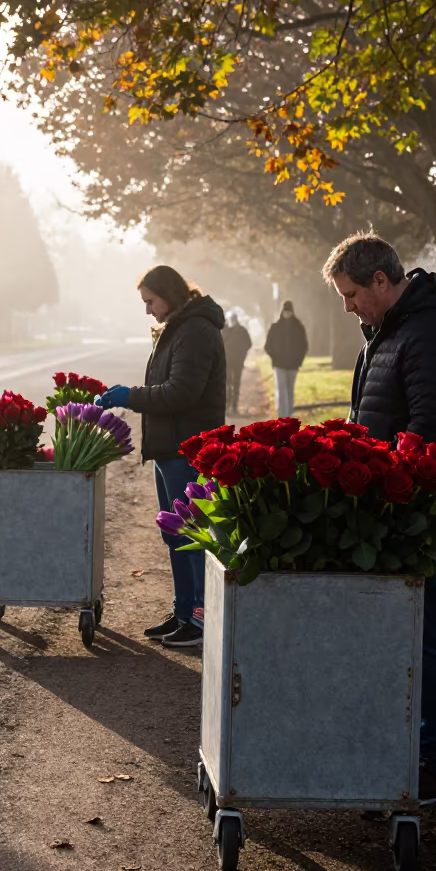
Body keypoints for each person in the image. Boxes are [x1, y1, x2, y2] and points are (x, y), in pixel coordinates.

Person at [322, 232, 436, 807]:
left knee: (430, 630)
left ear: (382, 282)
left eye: (352, 293)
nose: (348, 306)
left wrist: (391, 489)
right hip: (390, 505)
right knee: (400, 630)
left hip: (422, 510)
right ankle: (405, 748)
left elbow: (432, 429)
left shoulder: (431, 331)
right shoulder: (386, 332)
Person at [97, 265, 226, 649]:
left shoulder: (196, 330)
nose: (148, 309)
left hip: (187, 447)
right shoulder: (179, 327)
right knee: (175, 536)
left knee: (192, 536)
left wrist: (129, 396)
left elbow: (179, 392)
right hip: (169, 446)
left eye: (150, 301)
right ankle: (184, 611)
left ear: (169, 294)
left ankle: (201, 619)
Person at [265, 300, 308, 417]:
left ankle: (289, 415)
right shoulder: (275, 327)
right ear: (282, 311)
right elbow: (268, 345)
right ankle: (282, 416)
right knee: (281, 390)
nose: (287, 314)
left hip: (293, 365)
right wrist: (274, 357)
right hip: (279, 365)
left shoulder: (298, 327)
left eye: (289, 312)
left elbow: (304, 346)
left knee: (289, 391)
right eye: (285, 312)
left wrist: (299, 360)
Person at [222, 313, 252, 414]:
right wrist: (242, 353)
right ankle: (232, 406)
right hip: (234, 361)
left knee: (230, 384)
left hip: (231, 361)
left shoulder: (226, 330)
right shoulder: (240, 330)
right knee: (233, 384)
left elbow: (248, 344)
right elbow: (249, 344)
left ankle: (230, 406)